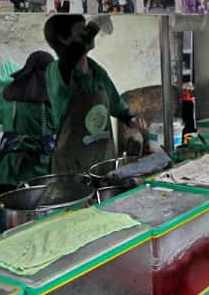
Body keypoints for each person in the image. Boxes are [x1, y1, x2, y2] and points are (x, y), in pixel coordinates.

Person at [43, 15, 146, 175]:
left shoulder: (96, 71)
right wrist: (94, 26)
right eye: (82, 30)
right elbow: (70, 56)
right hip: (72, 168)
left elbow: (115, 103)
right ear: (63, 39)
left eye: (87, 29)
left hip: (103, 160)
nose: (89, 34)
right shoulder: (56, 72)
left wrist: (129, 119)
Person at [0, 52, 54, 195]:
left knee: (7, 212)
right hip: (44, 171)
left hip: (9, 172)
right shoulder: (55, 99)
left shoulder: (6, 95)